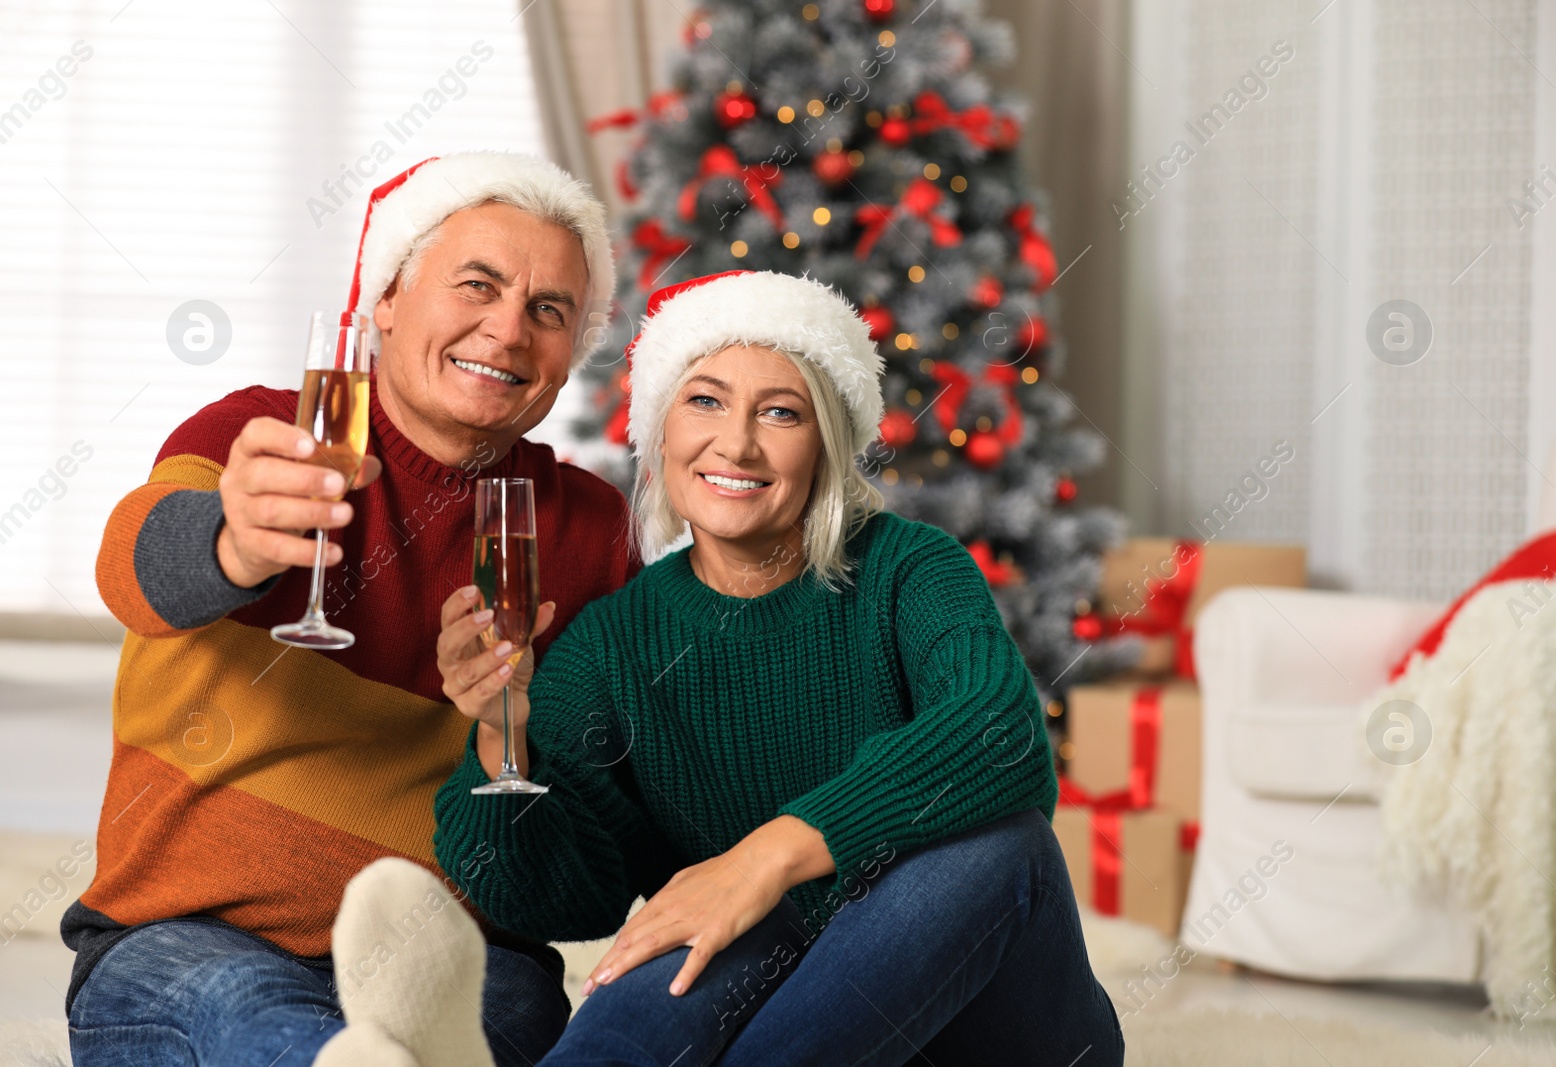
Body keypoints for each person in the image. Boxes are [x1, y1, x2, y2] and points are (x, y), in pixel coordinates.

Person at [433, 270, 1124, 1065]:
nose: (737, 443)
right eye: (704, 401)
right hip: (801, 1008)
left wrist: (764, 857)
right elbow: (549, 894)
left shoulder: (908, 569)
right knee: (685, 947)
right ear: (659, 430)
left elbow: (998, 733)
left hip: (990, 1027)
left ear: (826, 443)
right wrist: (501, 732)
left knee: (1000, 846)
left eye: (781, 412)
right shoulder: (615, 642)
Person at [63, 152, 636, 1067]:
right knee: (250, 1013)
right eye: (476, 285)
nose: (507, 330)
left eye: (548, 310)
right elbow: (132, 569)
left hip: (458, 953)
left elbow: (587, 848)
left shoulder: (593, 533)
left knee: (512, 1000)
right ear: (387, 301)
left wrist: (503, 733)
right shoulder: (264, 437)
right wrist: (235, 545)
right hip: (189, 936)